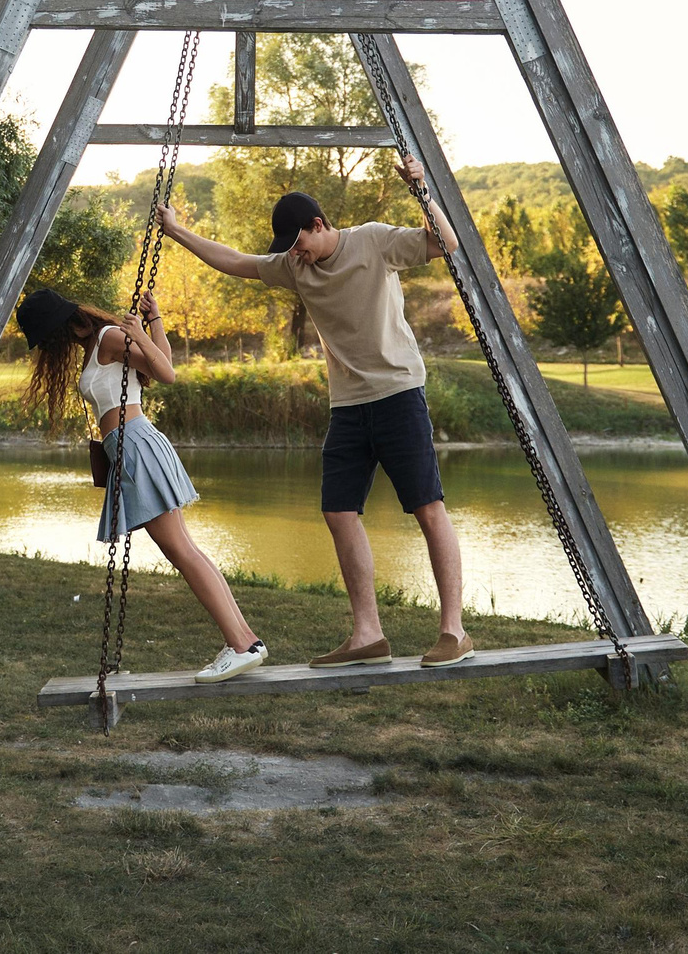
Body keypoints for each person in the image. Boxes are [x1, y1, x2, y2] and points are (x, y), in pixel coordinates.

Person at [155, 155, 476, 670]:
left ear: (318, 225)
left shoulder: (373, 240)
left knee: (426, 506)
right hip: (347, 407)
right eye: (289, 249)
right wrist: (177, 232)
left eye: (299, 242)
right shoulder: (294, 267)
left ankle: (453, 631)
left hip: (397, 393)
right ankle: (367, 634)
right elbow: (235, 260)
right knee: (337, 510)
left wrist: (421, 188)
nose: (295, 255)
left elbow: (444, 244)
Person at [15, 285, 267, 684]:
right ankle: (247, 642)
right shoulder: (100, 343)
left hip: (134, 445)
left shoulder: (109, 337)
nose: (48, 348)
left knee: (182, 552)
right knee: (187, 550)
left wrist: (146, 328)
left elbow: (165, 372)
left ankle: (239, 644)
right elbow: (157, 361)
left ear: (63, 326)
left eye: (47, 339)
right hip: (128, 446)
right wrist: (153, 322)